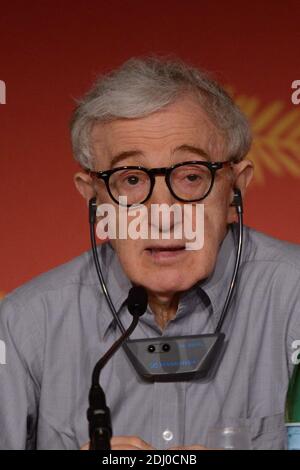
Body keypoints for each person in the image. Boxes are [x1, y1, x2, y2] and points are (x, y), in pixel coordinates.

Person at [0, 57, 299, 450]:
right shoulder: (24, 325)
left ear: (235, 191)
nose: (162, 215)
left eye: (191, 176)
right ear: (92, 197)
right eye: (132, 179)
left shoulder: (294, 297)